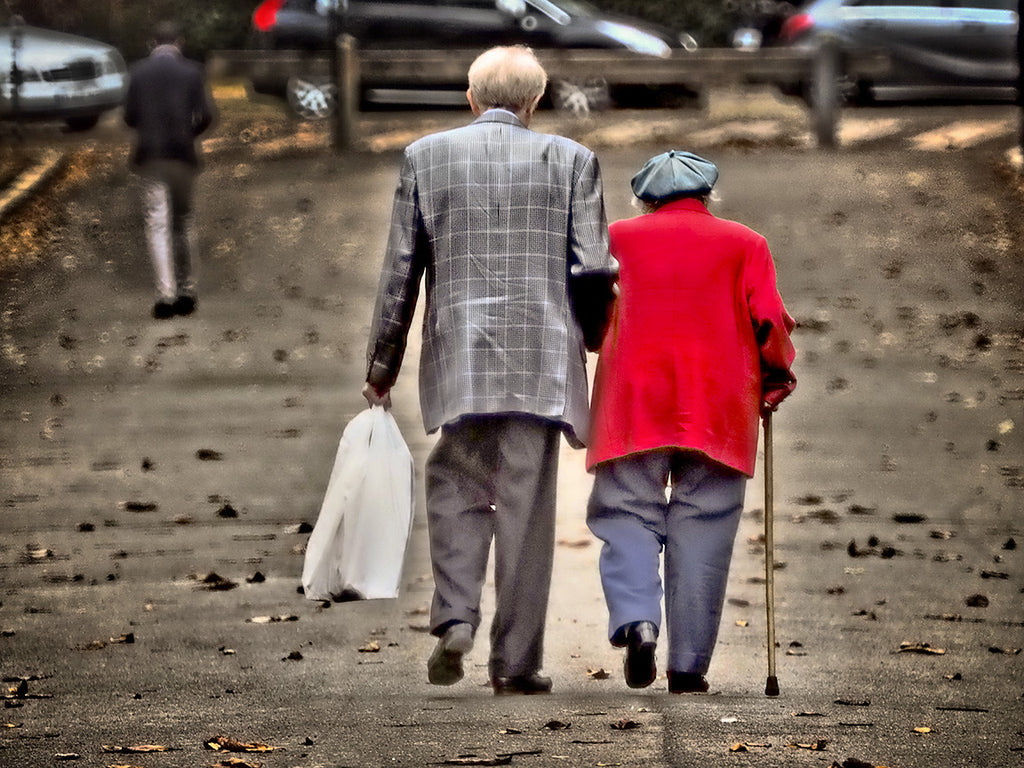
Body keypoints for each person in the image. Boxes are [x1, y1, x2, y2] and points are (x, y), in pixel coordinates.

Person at [362, 45, 617, 696]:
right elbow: (593, 268)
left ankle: (454, 617)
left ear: (471, 98)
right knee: (526, 513)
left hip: (461, 354)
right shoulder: (572, 162)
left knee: (454, 484)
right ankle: (516, 664)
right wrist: (589, 340)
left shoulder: (425, 158)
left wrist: (382, 364)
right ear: (535, 102)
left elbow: (400, 272)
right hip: (540, 358)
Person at [585, 150, 796, 694]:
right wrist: (776, 379)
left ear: (645, 199)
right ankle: (687, 667)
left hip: (633, 397)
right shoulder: (747, 244)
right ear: (707, 196)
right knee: (704, 525)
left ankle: (638, 619)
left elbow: (588, 306)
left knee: (626, 512)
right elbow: (769, 322)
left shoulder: (616, 238)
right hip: (719, 403)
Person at [124, 20, 215, 320]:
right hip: (181, 154)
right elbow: (207, 115)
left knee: (157, 224)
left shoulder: (137, 72)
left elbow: (129, 116)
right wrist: (189, 134)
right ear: (180, 42)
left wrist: (148, 129)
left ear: (152, 44)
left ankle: (165, 294)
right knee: (183, 221)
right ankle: (187, 290)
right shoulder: (192, 71)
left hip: (151, 155)